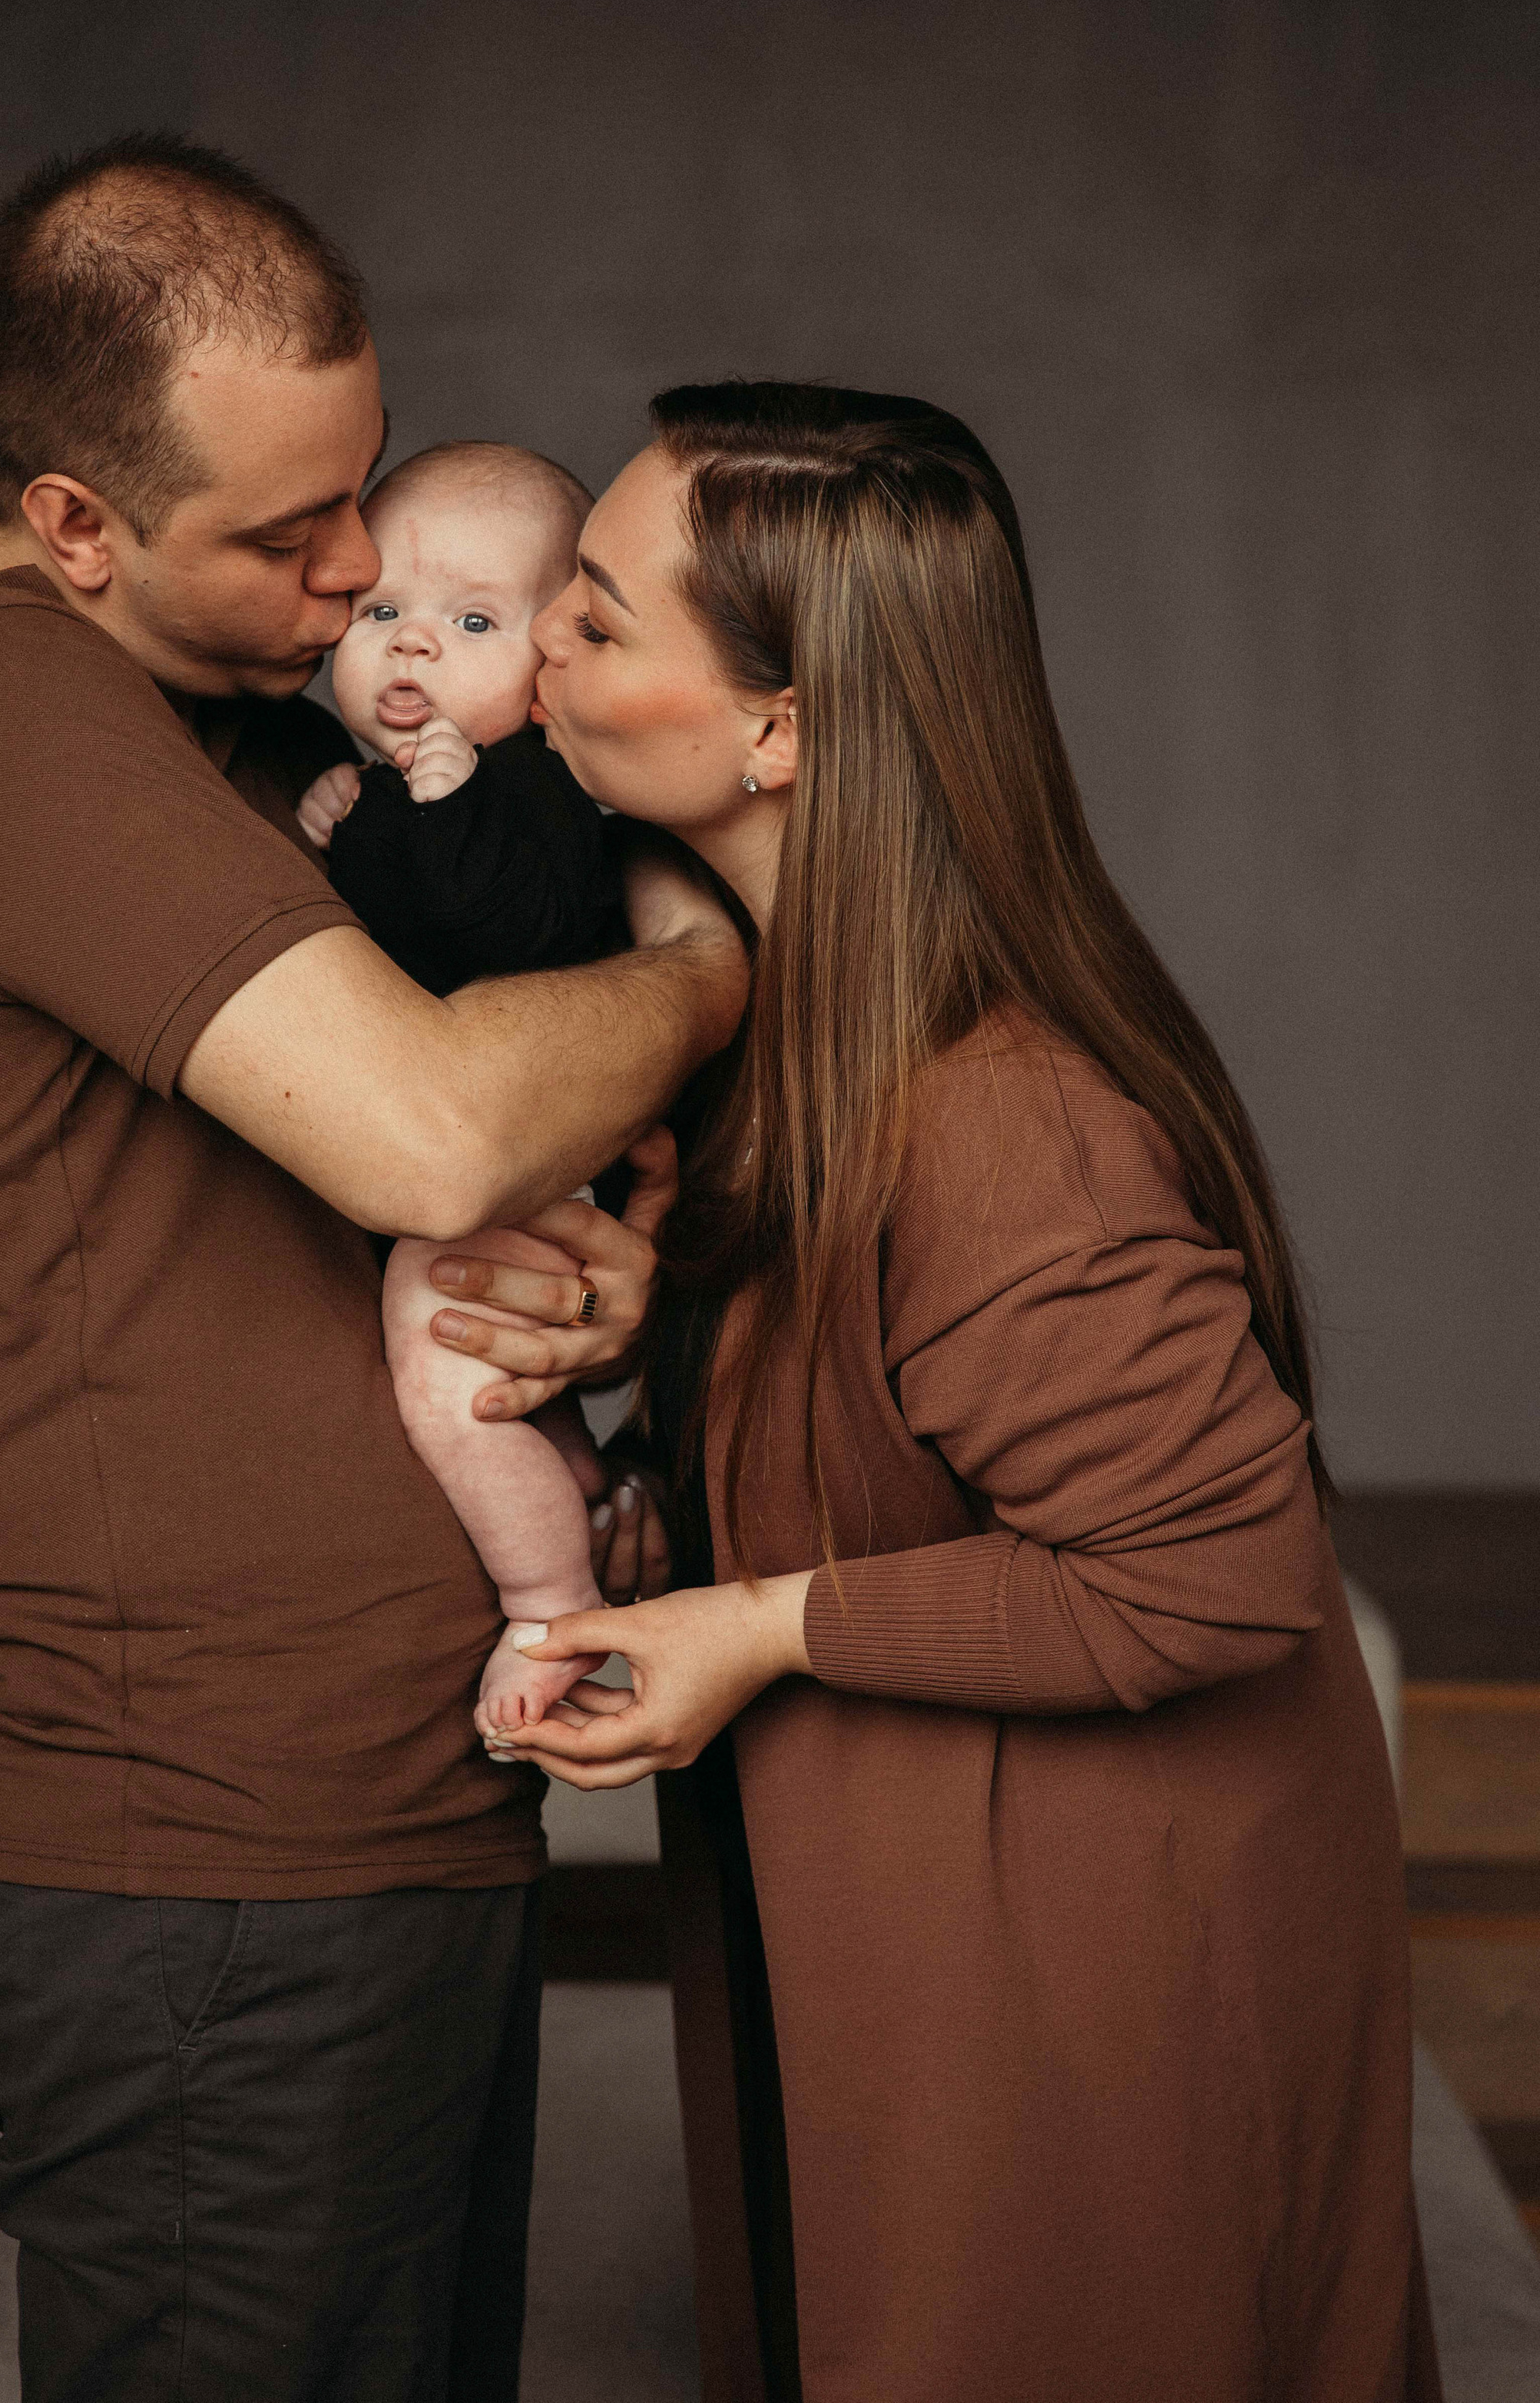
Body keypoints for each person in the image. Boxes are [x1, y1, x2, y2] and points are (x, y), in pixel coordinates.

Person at [0, 138, 747, 2403]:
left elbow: (466, 1094)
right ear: (77, 518)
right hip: (207, 1866)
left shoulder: (238, 723)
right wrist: (713, 981)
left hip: (375, 1823)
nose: (358, 569)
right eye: (286, 535)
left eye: (366, 492)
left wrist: (613, 1262)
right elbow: (438, 1127)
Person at [488, 383, 1439, 2403]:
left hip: (1104, 1955)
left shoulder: (999, 1125)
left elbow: (1216, 1580)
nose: (528, 647)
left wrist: (757, 1625)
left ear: (785, 729)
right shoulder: (793, 1032)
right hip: (948, 1917)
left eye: (588, 612)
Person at [300, 441, 628, 1735]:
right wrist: (360, 816)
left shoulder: (544, 793)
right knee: (482, 1363)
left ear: (551, 675)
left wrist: (437, 816)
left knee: (442, 1366)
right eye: (381, 612)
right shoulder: (412, 782)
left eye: (471, 622)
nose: (412, 650)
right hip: (452, 1151)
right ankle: (585, 1478)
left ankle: (550, 1602)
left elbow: (531, 937)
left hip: (518, 1153)